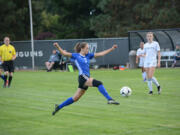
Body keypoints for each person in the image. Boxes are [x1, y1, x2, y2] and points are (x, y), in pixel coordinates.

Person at [52, 42, 119, 116]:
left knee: (75, 98)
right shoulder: (76, 55)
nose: (88, 49)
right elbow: (64, 53)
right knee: (98, 83)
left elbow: (101, 54)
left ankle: (59, 107)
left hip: (86, 77)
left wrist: (111, 49)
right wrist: (58, 47)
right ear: (82, 48)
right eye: (87, 48)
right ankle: (109, 99)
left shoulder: (88, 55)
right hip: (82, 77)